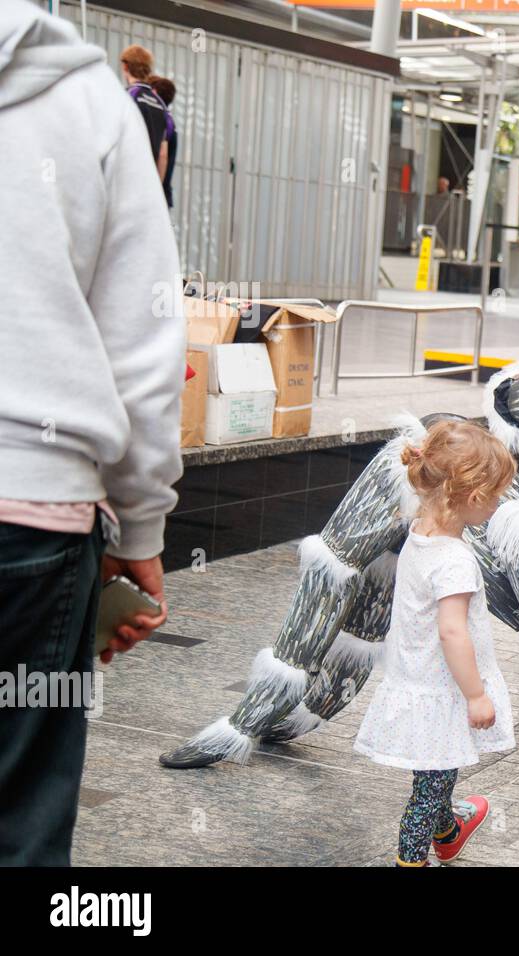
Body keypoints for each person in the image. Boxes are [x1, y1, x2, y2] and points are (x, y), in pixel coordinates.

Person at [0, 4, 184, 865]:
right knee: (23, 806)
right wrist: (141, 529)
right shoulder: (91, 101)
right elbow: (142, 344)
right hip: (33, 525)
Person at [353, 421, 517, 866]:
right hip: (443, 690)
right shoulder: (455, 560)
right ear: (476, 497)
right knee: (430, 786)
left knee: (436, 770)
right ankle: (413, 857)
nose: (499, 502)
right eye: (498, 493)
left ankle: (448, 830)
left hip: (415, 680)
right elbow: (452, 632)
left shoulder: (420, 536)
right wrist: (476, 694)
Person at [119, 44, 169, 184]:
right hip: (148, 181)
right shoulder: (160, 104)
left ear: (125, 66)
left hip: (127, 178)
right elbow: (163, 154)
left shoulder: (126, 96)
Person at [148, 74, 178, 209]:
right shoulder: (170, 120)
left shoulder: (163, 121)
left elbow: (163, 155)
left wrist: (155, 193)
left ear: (154, 93)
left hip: (158, 195)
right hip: (165, 194)